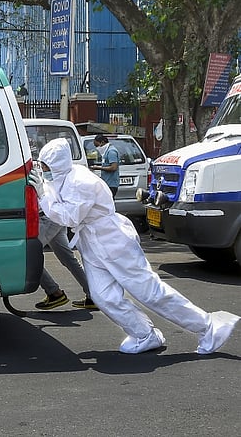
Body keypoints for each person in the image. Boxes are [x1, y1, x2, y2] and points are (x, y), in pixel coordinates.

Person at [30, 138, 239, 354]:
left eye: (45, 166)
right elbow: (56, 197)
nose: (44, 171)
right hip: (92, 244)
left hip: (113, 241)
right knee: (102, 296)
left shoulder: (81, 181)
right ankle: (144, 334)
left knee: (150, 291)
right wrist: (43, 188)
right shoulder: (62, 177)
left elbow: (69, 217)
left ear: (57, 164)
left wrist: (43, 194)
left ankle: (208, 327)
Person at [34, 215, 96, 310]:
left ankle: (54, 293)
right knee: (68, 259)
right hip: (56, 216)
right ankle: (94, 296)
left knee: (28, 256)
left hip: (46, 219)